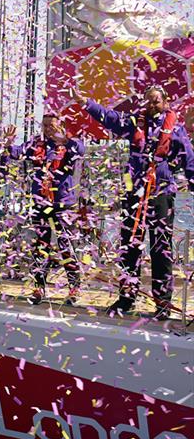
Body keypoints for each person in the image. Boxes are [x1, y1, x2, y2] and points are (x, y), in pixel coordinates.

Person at [78, 86, 194, 318]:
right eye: (148, 102)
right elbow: (110, 118)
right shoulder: (133, 124)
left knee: (160, 248)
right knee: (129, 247)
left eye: (156, 102)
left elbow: (189, 159)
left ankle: (162, 303)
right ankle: (126, 299)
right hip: (134, 194)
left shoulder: (177, 130)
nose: (152, 106)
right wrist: (86, 103)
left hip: (161, 193)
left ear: (166, 102)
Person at [8, 112, 85, 305]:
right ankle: (39, 287)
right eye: (45, 126)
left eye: (52, 126)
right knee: (41, 246)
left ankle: (74, 288)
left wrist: (65, 140)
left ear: (60, 126)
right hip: (41, 202)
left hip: (62, 203)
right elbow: (16, 153)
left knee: (66, 246)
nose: (48, 129)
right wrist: (9, 142)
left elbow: (81, 150)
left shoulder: (70, 144)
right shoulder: (37, 144)